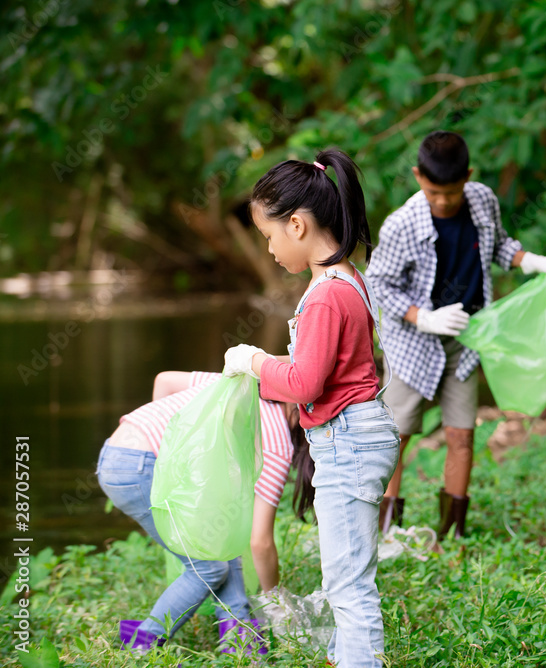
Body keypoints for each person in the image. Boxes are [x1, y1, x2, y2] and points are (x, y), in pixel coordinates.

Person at [222, 147, 400, 668]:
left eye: (270, 236)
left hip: (348, 442)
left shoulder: (325, 295)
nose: (271, 250)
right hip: (356, 435)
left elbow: (304, 382)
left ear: (296, 225)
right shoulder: (345, 280)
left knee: (348, 584)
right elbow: (319, 371)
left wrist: (254, 362)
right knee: (347, 574)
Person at [366, 130, 546, 539]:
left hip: (466, 338)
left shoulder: (481, 200)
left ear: (468, 177)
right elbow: (378, 286)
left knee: (462, 434)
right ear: (417, 177)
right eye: (433, 192)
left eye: (451, 192)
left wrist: (532, 260)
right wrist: (423, 318)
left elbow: (497, 245)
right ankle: (386, 531)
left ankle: (450, 535)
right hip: (412, 344)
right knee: (397, 436)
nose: (442, 201)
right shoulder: (402, 225)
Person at [96, 369, 308, 654]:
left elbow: (164, 381)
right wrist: (275, 601)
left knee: (220, 539)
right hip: (140, 467)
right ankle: (142, 644)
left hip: (116, 451)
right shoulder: (276, 442)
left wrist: (171, 448)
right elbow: (261, 542)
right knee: (208, 568)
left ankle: (238, 638)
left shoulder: (240, 381)